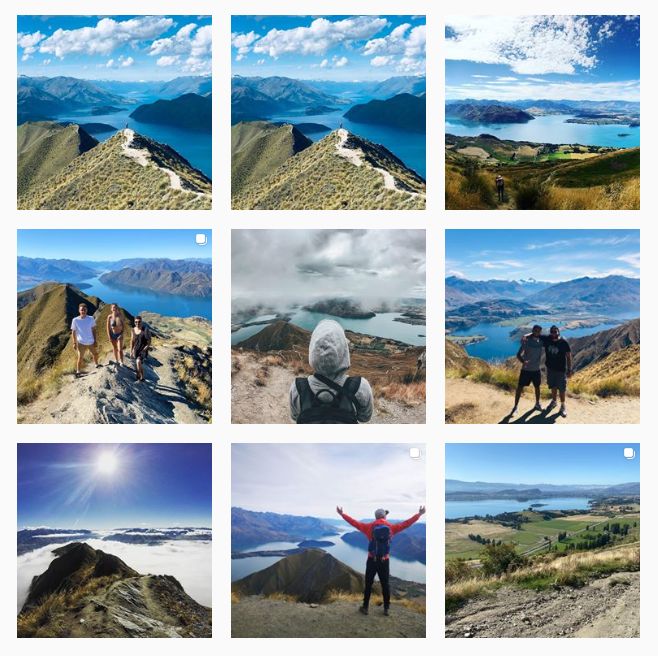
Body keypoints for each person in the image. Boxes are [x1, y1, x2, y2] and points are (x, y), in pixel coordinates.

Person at [336, 505, 426, 616]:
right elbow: (406, 524)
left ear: (375, 517)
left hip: (371, 560)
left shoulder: (369, 527)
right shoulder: (391, 527)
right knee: (385, 584)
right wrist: (419, 514)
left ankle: (365, 607)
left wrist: (342, 514)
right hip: (384, 560)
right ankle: (386, 608)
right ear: (384, 517)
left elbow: (353, 522)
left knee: (368, 584)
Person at [290, 319, 373, 423]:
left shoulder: (298, 388)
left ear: (313, 351)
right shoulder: (360, 386)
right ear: (344, 350)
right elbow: (365, 418)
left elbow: (295, 417)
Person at [510, 324, 544, 417]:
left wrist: (527, 335)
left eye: (538, 331)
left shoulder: (541, 341)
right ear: (533, 331)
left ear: (540, 332)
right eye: (535, 330)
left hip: (536, 370)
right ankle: (515, 407)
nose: (537, 332)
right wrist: (523, 362)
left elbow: (550, 338)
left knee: (537, 387)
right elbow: (518, 354)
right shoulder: (526, 341)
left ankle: (537, 404)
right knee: (520, 388)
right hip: (526, 370)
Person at [541, 325, 572, 417]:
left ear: (558, 332)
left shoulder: (563, 342)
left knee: (561, 389)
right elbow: (536, 334)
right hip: (550, 369)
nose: (554, 333)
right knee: (553, 386)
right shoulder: (547, 339)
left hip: (561, 370)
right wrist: (525, 336)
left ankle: (563, 406)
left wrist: (569, 369)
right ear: (550, 332)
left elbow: (568, 356)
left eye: (555, 331)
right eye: (552, 331)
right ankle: (554, 401)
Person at [71, 303, 100, 377]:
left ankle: (96, 364)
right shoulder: (75, 320)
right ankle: (78, 371)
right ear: (79, 310)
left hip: (90, 341)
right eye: (81, 310)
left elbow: (94, 330)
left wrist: (95, 340)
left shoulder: (91, 318)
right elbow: (73, 332)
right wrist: (74, 342)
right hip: (81, 342)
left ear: (86, 310)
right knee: (80, 357)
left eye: (84, 310)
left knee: (95, 354)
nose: (83, 311)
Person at [130, 316, 151, 382]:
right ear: (134, 322)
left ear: (141, 322)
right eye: (136, 322)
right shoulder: (133, 330)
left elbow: (149, 342)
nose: (137, 323)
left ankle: (140, 376)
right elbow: (132, 341)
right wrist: (131, 351)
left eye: (139, 322)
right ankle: (140, 375)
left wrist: (144, 350)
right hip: (136, 350)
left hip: (143, 350)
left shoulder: (145, 330)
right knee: (138, 364)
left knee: (138, 362)